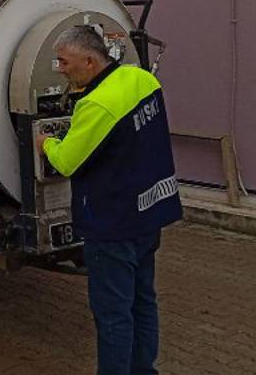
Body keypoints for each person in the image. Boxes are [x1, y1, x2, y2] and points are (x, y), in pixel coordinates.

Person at [38, 26, 182, 375]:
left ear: (89, 61)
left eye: (64, 61)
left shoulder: (97, 104)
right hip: (150, 212)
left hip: (113, 222)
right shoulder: (142, 80)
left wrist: (45, 142)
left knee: (113, 314)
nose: (60, 69)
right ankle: (144, 370)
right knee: (142, 301)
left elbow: (67, 161)